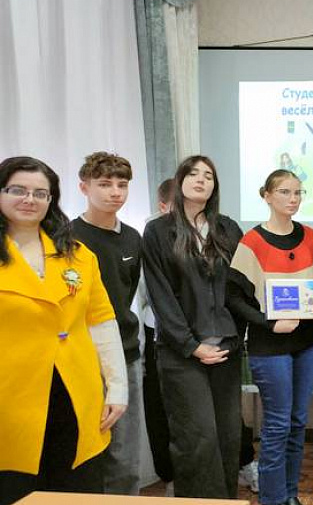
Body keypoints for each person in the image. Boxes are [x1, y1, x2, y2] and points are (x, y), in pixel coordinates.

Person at [0, 157, 127, 505]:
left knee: (76, 487)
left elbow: (102, 322)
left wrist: (117, 387)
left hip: (74, 392)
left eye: (40, 193)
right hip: (11, 397)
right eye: (17, 190)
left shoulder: (78, 255)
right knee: (16, 486)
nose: (30, 199)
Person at [142, 155, 244, 498]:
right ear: (181, 180)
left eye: (209, 176)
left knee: (228, 437)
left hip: (226, 349)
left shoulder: (228, 229)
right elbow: (160, 294)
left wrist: (237, 338)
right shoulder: (158, 230)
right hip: (181, 352)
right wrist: (191, 345)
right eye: (194, 174)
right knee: (198, 439)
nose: (201, 180)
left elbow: (240, 288)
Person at [227, 169, 313, 505]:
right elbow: (234, 298)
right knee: (278, 424)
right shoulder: (251, 241)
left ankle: (290, 494)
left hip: (308, 341)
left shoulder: (309, 236)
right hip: (270, 345)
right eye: (285, 192)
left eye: (298, 193)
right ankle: (272, 498)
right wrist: (269, 324)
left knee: (298, 423)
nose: (293, 199)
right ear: (266, 196)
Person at [70, 152, 143, 496]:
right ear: (84, 187)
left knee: (125, 458)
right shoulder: (66, 238)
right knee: (82, 452)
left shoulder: (132, 238)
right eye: (104, 184)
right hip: (77, 357)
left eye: (122, 184)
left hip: (125, 355)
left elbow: (127, 293)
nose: (115, 192)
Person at [136, 178, 177, 494]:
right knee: (160, 408)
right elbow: (143, 296)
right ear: (163, 206)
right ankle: (170, 477)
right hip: (158, 333)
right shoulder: (147, 237)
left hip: (204, 335)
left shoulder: (213, 231)